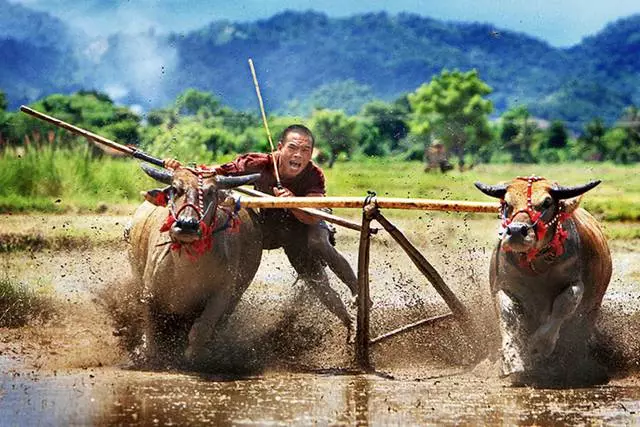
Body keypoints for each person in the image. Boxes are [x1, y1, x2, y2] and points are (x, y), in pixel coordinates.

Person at [164, 124, 358, 340]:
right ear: (280, 148)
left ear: (311, 153)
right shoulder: (259, 163)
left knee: (317, 263)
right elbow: (213, 172)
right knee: (235, 231)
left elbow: (312, 216)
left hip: (304, 227)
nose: (298, 155)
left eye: (305, 150)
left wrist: (292, 202)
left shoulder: (314, 175)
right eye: (292, 148)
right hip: (271, 227)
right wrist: (182, 170)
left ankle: (354, 300)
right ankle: (216, 309)